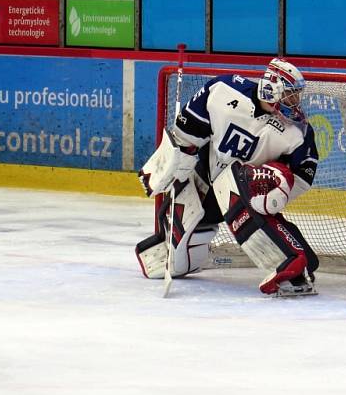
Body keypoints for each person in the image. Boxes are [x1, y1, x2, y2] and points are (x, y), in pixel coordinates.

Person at [136, 58, 320, 296]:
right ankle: (175, 246)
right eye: (290, 95)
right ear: (271, 87)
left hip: (245, 194)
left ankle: (293, 262)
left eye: (296, 96)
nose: (294, 103)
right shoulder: (224, 90)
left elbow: (302, 177)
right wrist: (169, 165)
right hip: (207, 177)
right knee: (177, 255)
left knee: (241, 180)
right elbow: (187, 134)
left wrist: (276, 187)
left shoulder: (297, 132)